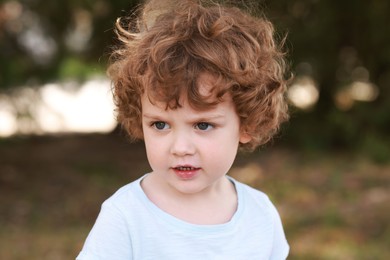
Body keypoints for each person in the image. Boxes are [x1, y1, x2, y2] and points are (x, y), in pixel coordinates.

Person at [77, 0, 290, 259]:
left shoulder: (260, 216)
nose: (180, 148)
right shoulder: (126, 218)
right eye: (160, 125)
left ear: (247, 124)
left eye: (202, 125)